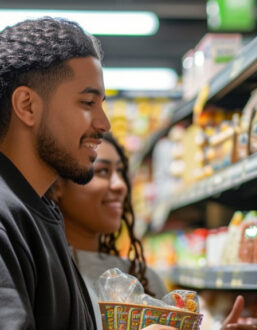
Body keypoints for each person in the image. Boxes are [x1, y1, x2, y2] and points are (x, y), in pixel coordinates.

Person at [0, 17, 175, 330]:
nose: (104, 124)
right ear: (27, 106)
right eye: (87, 102)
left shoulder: (41, 214)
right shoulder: (6, 220)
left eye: (102, 104)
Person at [50, 132, 168, 327]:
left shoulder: (146, 279)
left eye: (121, 172)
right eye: (102, 171)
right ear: (57, 186)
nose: (120, 185)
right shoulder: (45, 275)